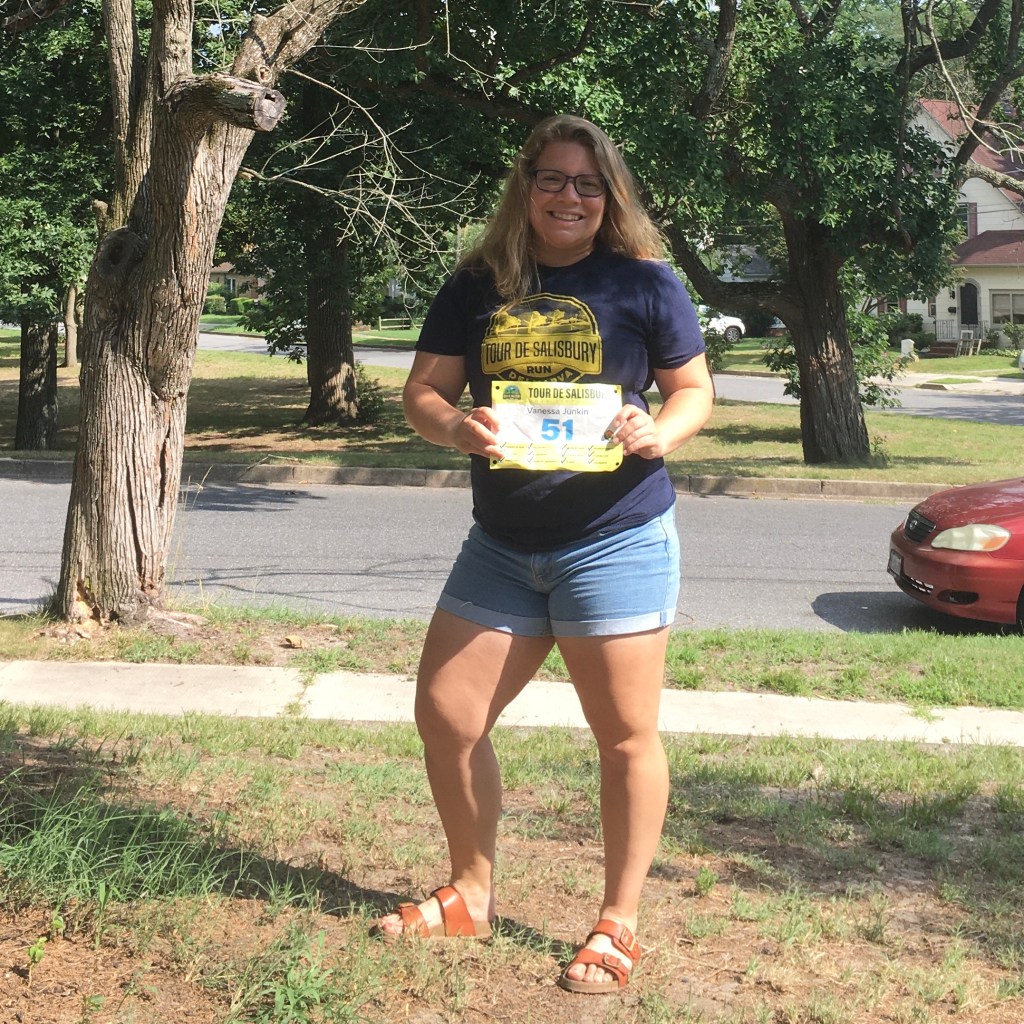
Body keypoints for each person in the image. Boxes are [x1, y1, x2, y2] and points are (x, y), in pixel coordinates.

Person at [372, 114, 714, 994]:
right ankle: (471, 896)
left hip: (618, 538)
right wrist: (459, 426)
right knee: (447, 717)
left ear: (610, 196)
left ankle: (618, 923)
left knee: (626, 737)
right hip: (502, 542)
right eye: (554, 179)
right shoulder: (477, 282)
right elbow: (423, 394)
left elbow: (692, 390)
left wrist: (655, 429)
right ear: (526, 186)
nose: (570, 197)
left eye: (587, 184)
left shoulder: (645, 281)